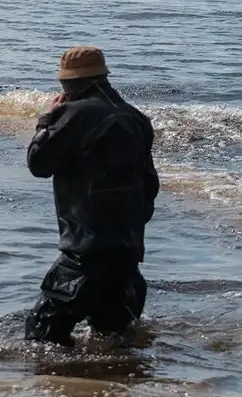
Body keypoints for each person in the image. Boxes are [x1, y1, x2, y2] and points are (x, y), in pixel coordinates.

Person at [23, 45, 160, 347]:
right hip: (128, 257)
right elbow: (151, 186)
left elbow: (38, 163)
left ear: (68, 84)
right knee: (114, 343)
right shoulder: (135, 117)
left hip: (84, 259)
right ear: (103, 76)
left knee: (39, 342)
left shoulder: (74, 114)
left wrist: (46, 120)